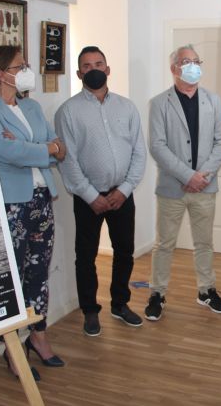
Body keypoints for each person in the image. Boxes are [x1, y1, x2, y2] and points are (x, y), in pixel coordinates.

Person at [0, 45, 66, 380]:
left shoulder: (32, 106)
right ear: (1, 73)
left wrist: (38, 148)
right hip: (11, 203)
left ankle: (38, 335)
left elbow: (59, 148)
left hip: (41, 200)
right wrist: (44, 148)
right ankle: (11, 347)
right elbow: (6, 151)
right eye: (19, 66)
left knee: (38, 273)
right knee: (12, 278)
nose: (26, 70)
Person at [55, 46, 146, 337]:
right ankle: (90, 311)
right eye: (86, 65)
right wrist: (91, 196)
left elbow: (139, 153)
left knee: (125, 252)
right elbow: (67, 160)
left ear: (108, 69)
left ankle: (120, 304)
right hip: (88, 198)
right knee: (86, 256)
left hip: (122, 194)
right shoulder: (68, 111)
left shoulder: (127, 107)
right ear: (78, 73)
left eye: (98, 63)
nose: (93, 69)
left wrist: (125, 189)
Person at [145, 44, 221, 321]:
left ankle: (206, 290)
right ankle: (157, 293)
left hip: (205, 186)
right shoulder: (159, 103)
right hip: (172, 188)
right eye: (186, 61)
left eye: (196, 61)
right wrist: (187, 176)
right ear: (174, 68)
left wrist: (202, 176)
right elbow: (157, 146)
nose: (193, 66)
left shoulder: (213, 101)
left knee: (204, 243)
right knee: (164, 244)